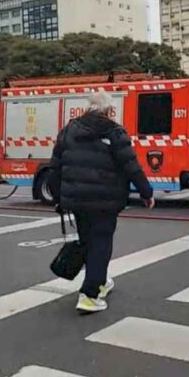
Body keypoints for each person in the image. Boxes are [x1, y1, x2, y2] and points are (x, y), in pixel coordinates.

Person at [50, 91, 154, 313]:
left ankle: (101, 281)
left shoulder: (68, 130)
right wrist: (147, 193)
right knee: (101, 244)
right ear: (109, 110)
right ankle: (89, 295)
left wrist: (59, 197)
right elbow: (131, 166)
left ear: (88, 107)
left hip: (77, 200)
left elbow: (56, 166)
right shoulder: (115, 132)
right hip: (105, 201)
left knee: (88, 242)